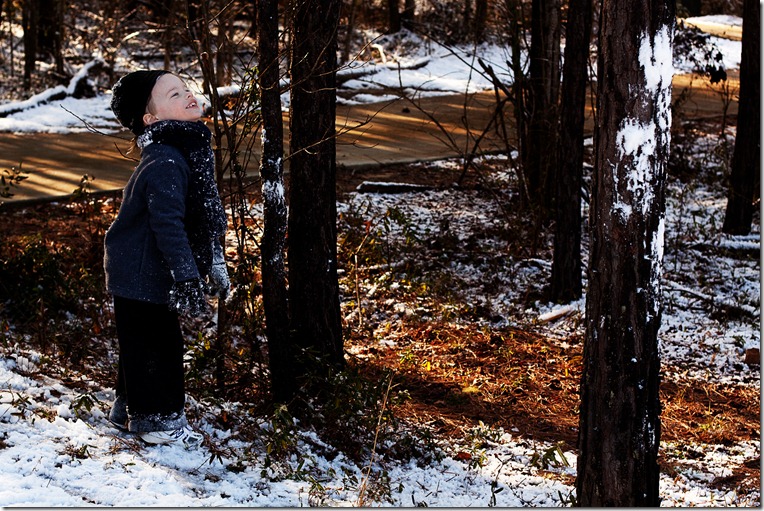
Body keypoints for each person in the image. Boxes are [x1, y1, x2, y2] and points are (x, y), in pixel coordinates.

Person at [104, 70, 230, 448]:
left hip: (147, 267)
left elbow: (202, 216)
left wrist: (213, 261)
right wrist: (187, 276)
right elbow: (168, 224)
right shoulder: (165, 160)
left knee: (144, 341)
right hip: (139, 269)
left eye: (186, 88)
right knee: (158, 345)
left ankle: (127, 406)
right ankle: (157, 422)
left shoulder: (186, 149)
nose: (188, 95)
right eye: (174, 94)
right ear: (151, 119)